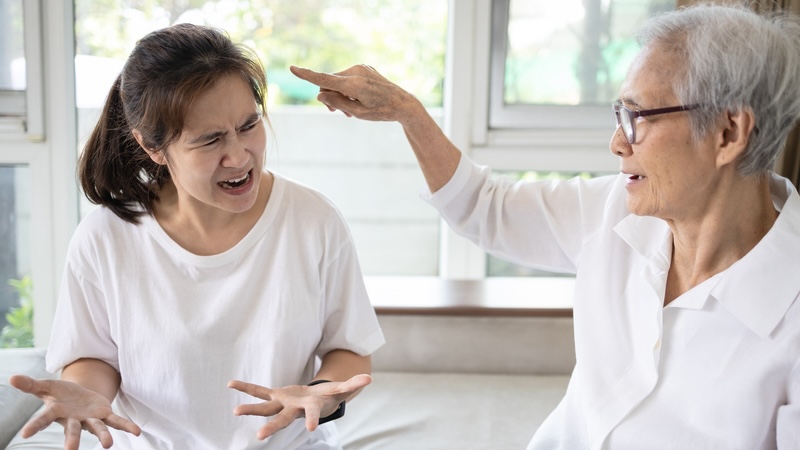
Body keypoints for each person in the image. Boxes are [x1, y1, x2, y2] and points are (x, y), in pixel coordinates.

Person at [290, 3, 800, 449]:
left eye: (638, 118)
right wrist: (410, 115)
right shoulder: (614, 209)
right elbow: (485, 208)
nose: (617, 144)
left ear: (729, 132)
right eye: (620, 114)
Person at [9, 23, 384, 450]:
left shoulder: (313, 220)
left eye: (249, 124)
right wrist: (87, 395)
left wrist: (323, 393)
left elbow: (350, 349)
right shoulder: (106, 237)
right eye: (210, 140)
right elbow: (92, 355)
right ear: (152, 147)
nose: (240, 156)